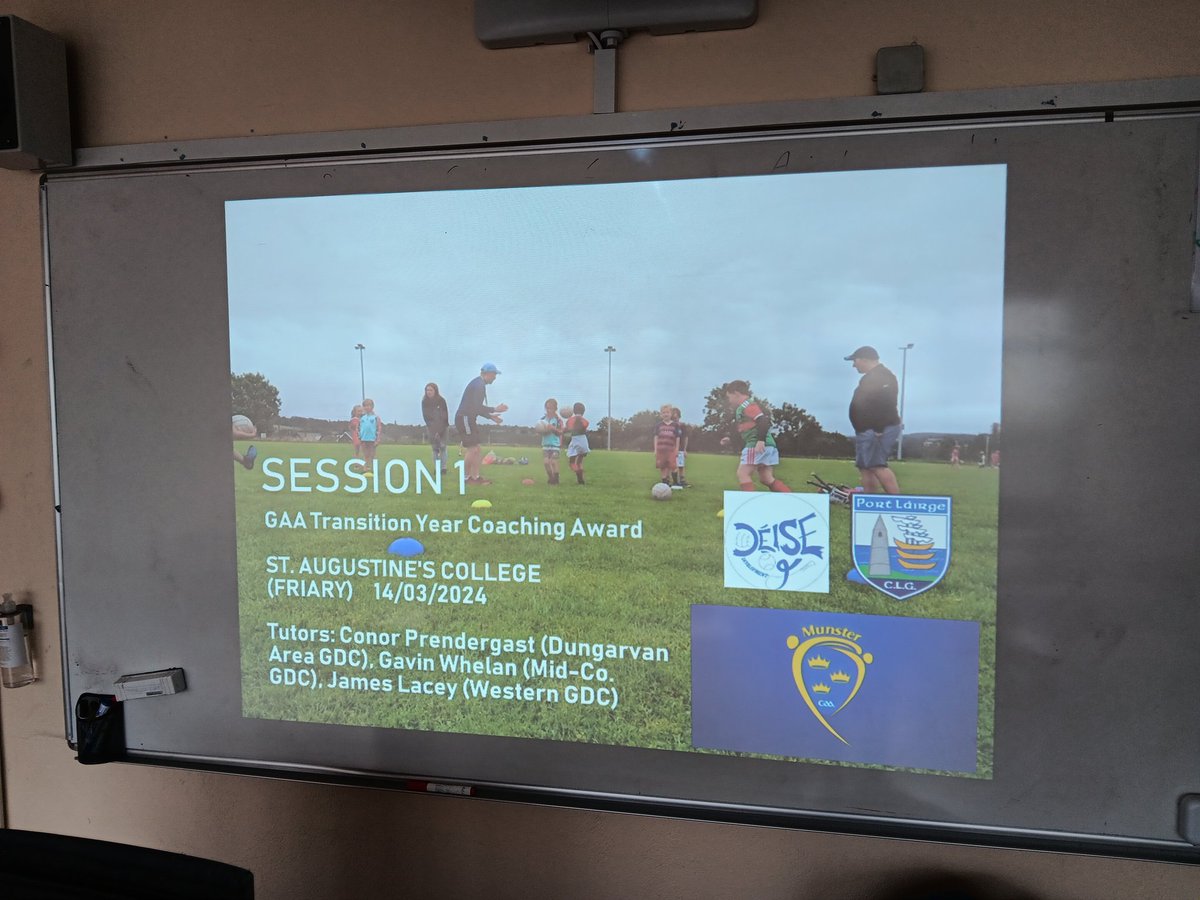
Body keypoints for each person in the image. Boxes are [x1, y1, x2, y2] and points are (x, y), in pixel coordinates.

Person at [844, 345, 901, 494]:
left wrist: (879, 429)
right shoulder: (871, 377)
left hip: (877, 430)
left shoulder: (883, 376)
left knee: (877, 465)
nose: (853, 365)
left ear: (864, 359)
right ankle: (868, 503)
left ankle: (897, 503)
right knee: (865, 466)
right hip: (866, 430)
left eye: (855, 360)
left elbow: (886, 404)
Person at [718, 381, 791, 492]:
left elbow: (763, 420)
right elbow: (748, 428)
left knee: (743, 473)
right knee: (766, 478)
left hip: (756, 444)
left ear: (736, 393)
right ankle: (791, 499)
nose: (729, 400)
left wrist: (760, 441)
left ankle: (749, 506)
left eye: (729, 397)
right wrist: (731, 439)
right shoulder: (743, 407)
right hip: (769, 445)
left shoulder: (747, 405)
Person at [455, 363, 507, 486]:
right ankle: (466, 479)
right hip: (464, 418)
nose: (495, 377)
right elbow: (476, 407)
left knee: (477, 449)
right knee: (472, 449)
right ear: (487, 374)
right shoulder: (479, 385)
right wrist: (494, 409)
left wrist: (491, 417)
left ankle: (475, 477)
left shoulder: (479, 384)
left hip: (469, 418)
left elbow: (476, 408)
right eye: (494, 374)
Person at [421, 384, 449, 475]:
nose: (428, 392)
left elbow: (445, 416)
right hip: (431, 428)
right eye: (427, 390)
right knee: (435, 449)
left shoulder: (441, 401)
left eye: (430, 390)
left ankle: (443, 468)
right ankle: (437, 468)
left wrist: (440, 431)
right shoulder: (424, 402)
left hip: (443, 427)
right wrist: (433, 430)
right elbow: (426, 417)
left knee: (443, 447)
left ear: (435, 391)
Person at [652, 404, 680, 487]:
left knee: (673, 466)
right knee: (663, 467)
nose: (665, 414)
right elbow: (656, 437)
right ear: (661, 414)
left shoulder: (675, 425)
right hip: (661, 449)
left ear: (671, 413)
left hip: (671, 449)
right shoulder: (658, 425)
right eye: (663, 412)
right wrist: (655, 449)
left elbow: (678, 438)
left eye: (667, 412)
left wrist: (677, 449)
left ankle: (675, 483)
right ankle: (664, 483)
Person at [562, 402, 589, 485]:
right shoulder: (585, 421)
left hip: (576, 440)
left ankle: (579, 476)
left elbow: (569, 428)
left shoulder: (570, 420)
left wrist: (563, 429)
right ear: (583, 411)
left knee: (572, 463)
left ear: (573, 411)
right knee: (579, 462)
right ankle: (581, 478)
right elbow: (585, 425)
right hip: (584, 441)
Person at [538, 398, 564, 485]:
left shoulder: (558, 420)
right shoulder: (542, 419)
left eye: (551, 408)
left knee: (553, 462)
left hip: (555, 445)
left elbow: (561, 432)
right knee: (546, 463)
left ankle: (556, 479)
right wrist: (542, 431)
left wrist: (553, 429)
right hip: (545, 444)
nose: (548, 410)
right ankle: (550, 477)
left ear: (555, 409)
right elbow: (539, 431)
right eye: (547, 408)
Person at [357, 398, 380, 473]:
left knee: (372, 454)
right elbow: (359, 428)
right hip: (363, 438)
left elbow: (378, 428)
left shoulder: (376, 417)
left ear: (372, 406)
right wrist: (359, 437)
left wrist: (378, 439)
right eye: (365, 406)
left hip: (372, 439)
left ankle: (373, 468)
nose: (367, 407)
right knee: (365, 454)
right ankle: (365, 468)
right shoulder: (362, 418)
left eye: (369, 405)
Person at [672, 407, 690, 488]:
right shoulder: (670, 426)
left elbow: (685, 437)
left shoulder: (682, 426)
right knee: (673, 466)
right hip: (672, 448)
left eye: (676, 417)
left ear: (679, 416)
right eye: (674, 417)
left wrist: (685, 449)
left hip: (681, 449)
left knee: (681, 465)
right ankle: (674, 482)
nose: (675, 419)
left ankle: (682, 481)